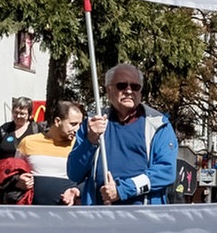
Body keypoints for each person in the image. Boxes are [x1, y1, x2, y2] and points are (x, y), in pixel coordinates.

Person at [70, 65, 178, 205]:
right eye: (121, 86)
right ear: (109, 91)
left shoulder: (158, 125)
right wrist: (90, 141)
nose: (128, 91)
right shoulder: (93, 123)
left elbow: (166, 171)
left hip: (144, 217)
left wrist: (123, 190)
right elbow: (74, 173)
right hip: (100, 214)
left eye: (135, 86)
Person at [17, 99, 85, 205]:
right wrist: (18, 181)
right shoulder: (28, 142)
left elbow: (91, 179)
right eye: (73, 124)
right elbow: (14, 173)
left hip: (67, 214)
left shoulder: (81, 146)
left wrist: (75, 191)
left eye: (80, 125)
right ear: (57, 121)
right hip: (31, 213)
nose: (77, 129)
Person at [0, 96, 42, 167]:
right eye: (16, 112)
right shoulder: (3, 129)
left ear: (30, 115)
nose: (18, 116)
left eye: (22, 114)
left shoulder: (36, 131)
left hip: (29, 175)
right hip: (5, 175)